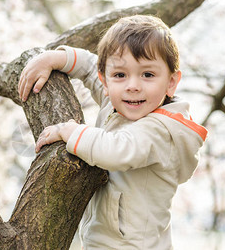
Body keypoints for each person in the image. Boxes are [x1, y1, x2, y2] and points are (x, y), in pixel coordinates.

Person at [18, 15, 207, 249]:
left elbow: (116, 150)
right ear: (105, 81)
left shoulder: (161, 130)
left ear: (171, 82)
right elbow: (89, 66)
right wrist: (55, 58)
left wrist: (69, 131)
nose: (133, 85)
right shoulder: (119, 100)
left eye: (148, 75)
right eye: (120, 75)